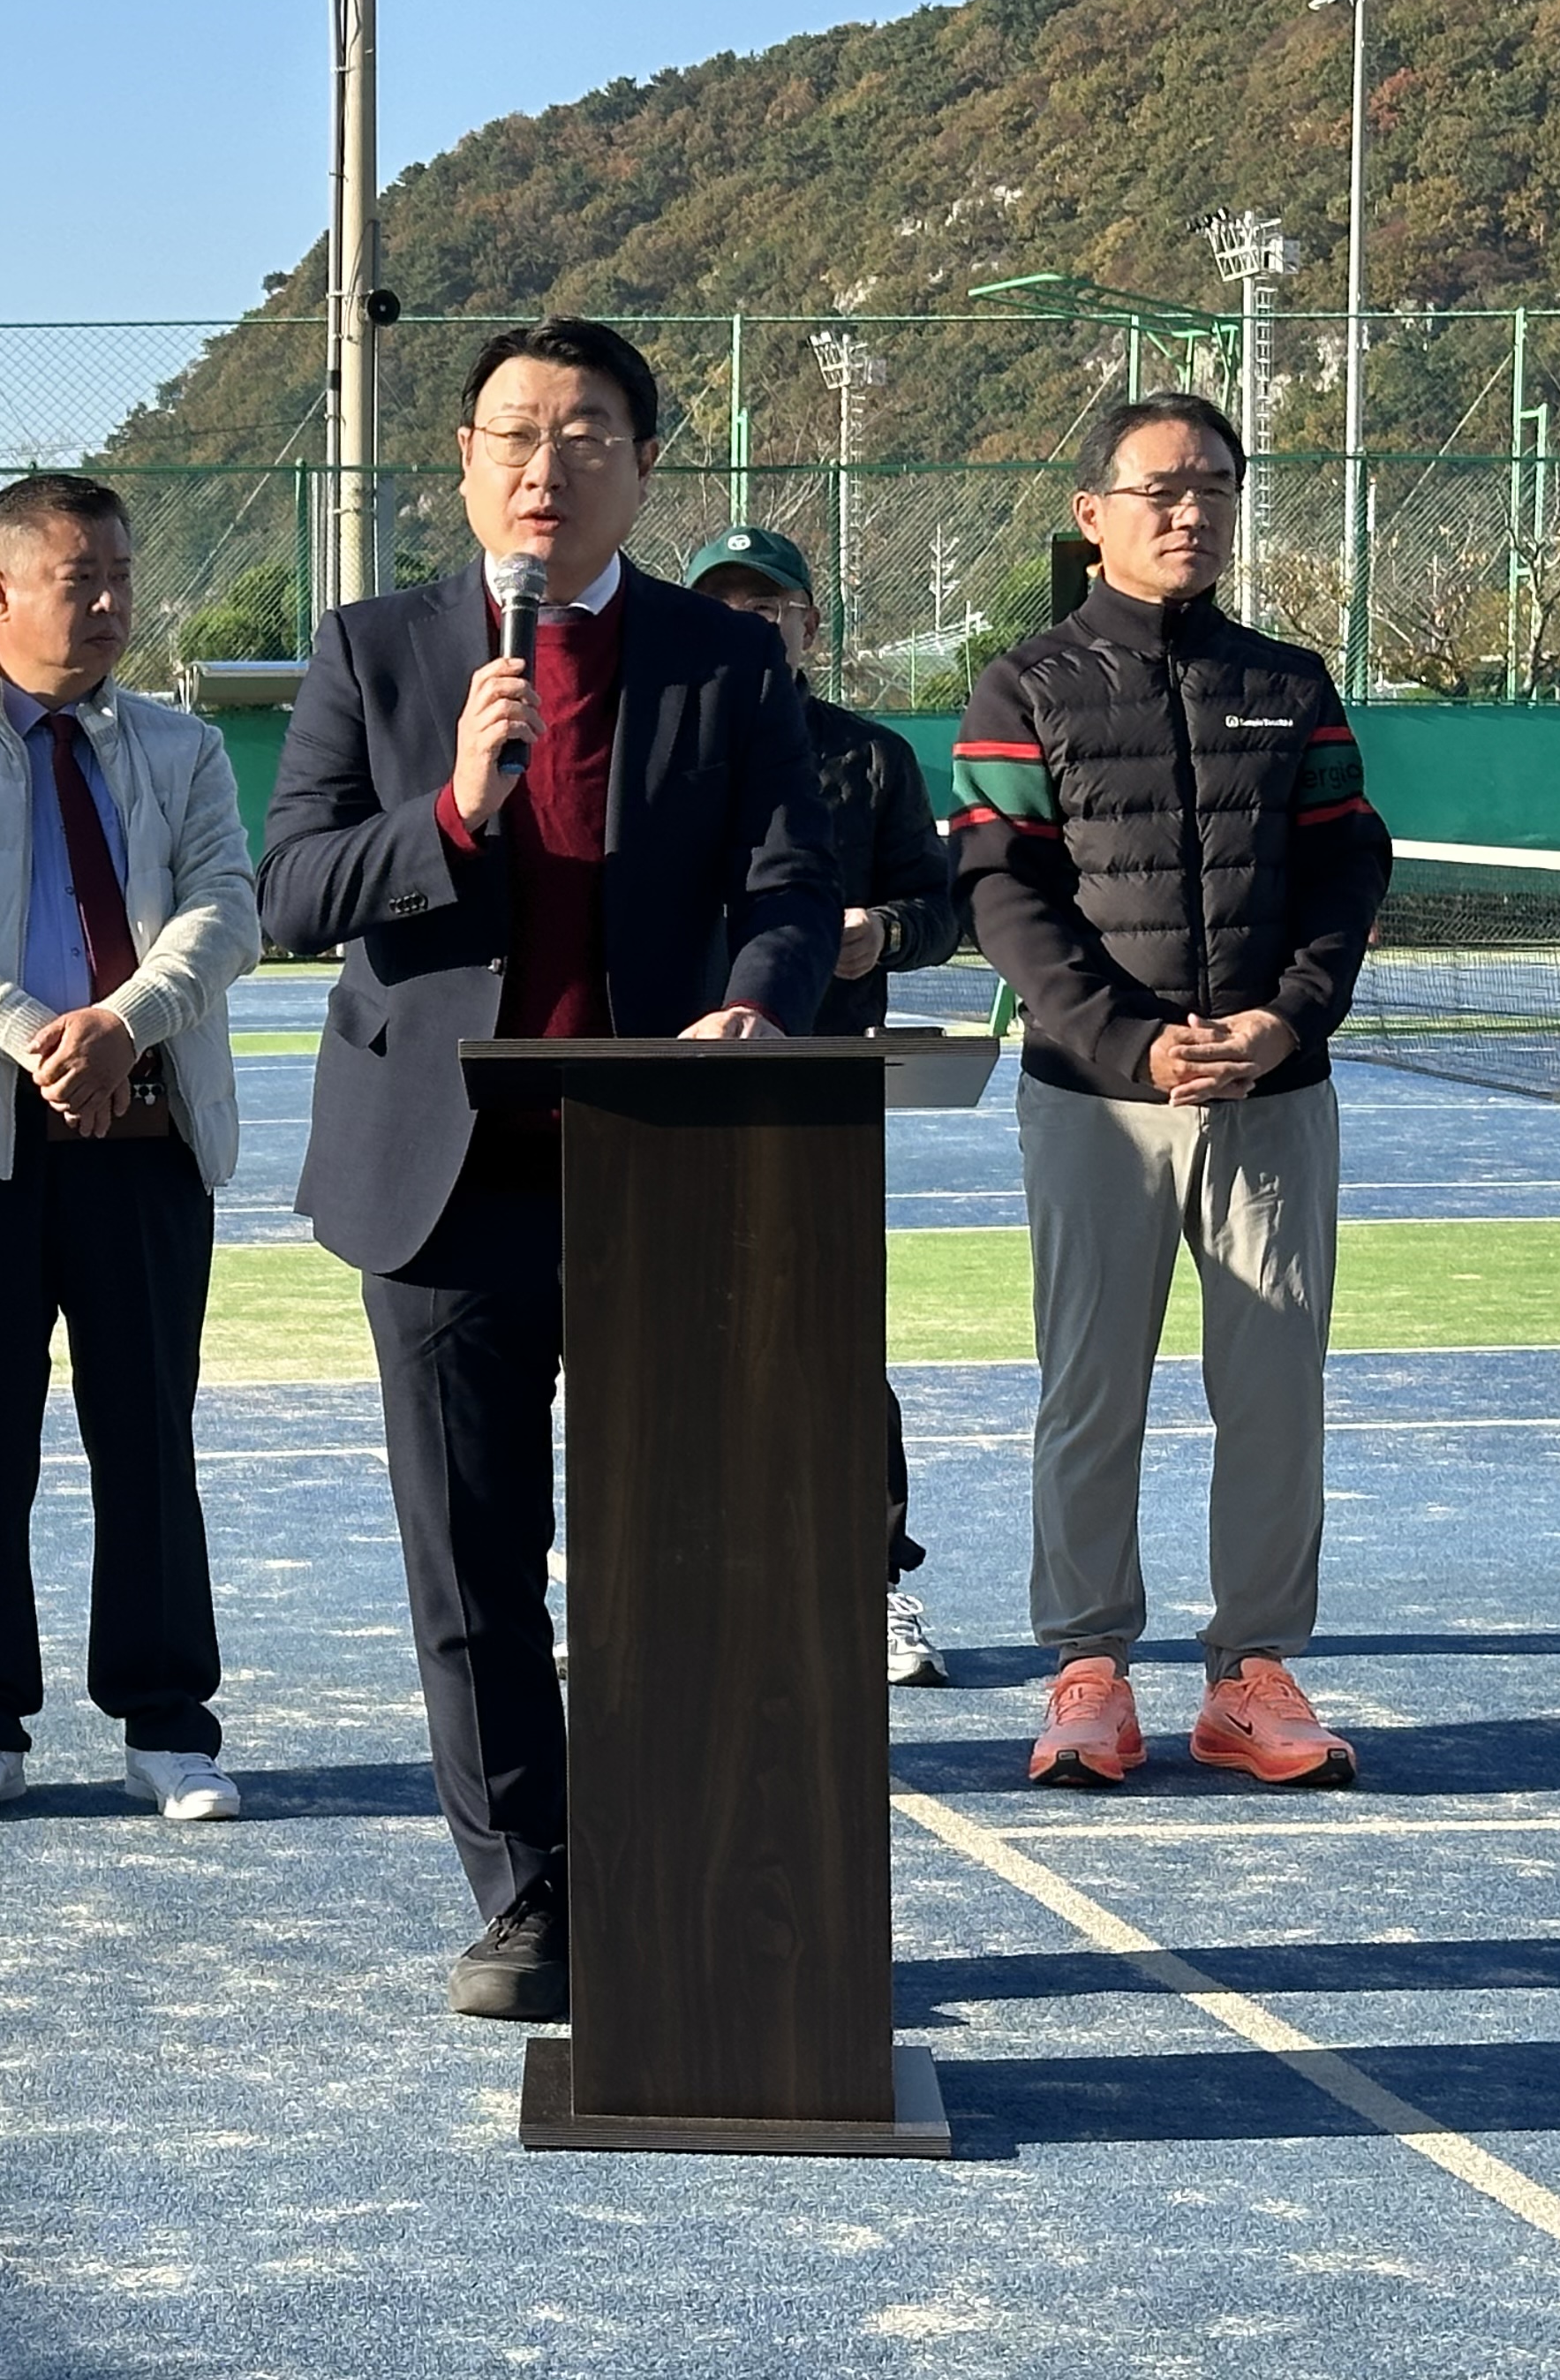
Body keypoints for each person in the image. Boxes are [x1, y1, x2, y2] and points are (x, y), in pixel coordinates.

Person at [260, 319, 839, 2022]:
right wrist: (452, 806)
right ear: (462, 460)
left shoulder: (727, 664)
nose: (546, 464)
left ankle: (683, 1874)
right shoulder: (373, 650)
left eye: (586, 434)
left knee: (683, 1554)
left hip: (666, 1166)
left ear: (643, 469)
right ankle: (530, 1892)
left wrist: (758, 1003)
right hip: (445, 1183)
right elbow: (292, 894)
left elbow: (793, 886)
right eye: (514, 432)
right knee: (473, 1565)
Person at [951, 393, 1392, 1794]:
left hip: (1275, 1095)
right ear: (1094, 515)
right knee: (1092, 1390)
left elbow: (1348, 867)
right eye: (1162, 489)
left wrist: (1285, 1020)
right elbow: (1002, 891)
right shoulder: (1024, 686)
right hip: (1096, 1101)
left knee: (1275, 1393)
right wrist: (1120, 1042)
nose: (1191, 511)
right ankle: (1088, 1672)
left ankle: (1251, 1676)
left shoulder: (1291, 682)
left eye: (1215, 486)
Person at [0, 472, 261, 1828]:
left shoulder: (185, 751)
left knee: (148, 1432)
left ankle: (167, 1720)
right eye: (83, 579)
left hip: (145, 1139)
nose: (111, 603)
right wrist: (39, 1036)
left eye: (123, 576)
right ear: (0, 590)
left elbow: (227, 913)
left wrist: (124, 1026)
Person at [688, 522, 966, 1689]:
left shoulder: (871, 759)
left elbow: (942, 910)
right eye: (723, 608)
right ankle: (648, 1578)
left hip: (823, 1091)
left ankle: (870, 1583)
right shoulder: (651, 743)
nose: (747, 626)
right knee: (652, 1340)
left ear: (809, 627)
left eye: (768, 609)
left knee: (833, 1340)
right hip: (664, 1089)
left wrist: (882, 932)